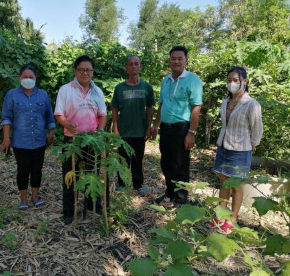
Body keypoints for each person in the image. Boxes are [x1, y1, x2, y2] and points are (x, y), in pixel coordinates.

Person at [208, 66, 263, 233]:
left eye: (235, 80)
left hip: (241, 148)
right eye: (229, 80)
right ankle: (220, 216)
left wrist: (253, 144)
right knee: (223, 181)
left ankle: (232, 219)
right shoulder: (226, 101)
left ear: (244, 82)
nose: (232, 83)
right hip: (224, 145)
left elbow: (257, 128)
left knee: (237, 186)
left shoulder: (251, 104)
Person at [54, 55, 107, 225]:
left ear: (93, 72)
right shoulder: (66, 90)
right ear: (75, 71)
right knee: (70, 177)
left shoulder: (97, 91)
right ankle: (70, 211)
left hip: (92, 141)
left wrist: (99, 132)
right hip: (73, 141)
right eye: (81, 69)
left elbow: (103, 115)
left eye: (88, 70)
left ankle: (94, 206)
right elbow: (59, 114)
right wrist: (68, 125)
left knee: (92, 175)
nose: (85, 73)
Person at [151, 46, 203, 205]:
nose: (176, 61)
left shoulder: (193, 80)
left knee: (180, 164)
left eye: (180, 58)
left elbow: (196, 107)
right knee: (166, 162)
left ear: (186, 60)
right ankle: (169, 193)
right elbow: (161, 104)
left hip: (182, 128)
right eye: (173, 58)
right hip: (166, 128)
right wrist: (155, 125)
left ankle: (181, 199)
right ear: (169, 60)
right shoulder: (166, 79)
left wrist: (191, 133)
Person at [1, 65, 55, 210]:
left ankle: (35, 197)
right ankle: (23, 199)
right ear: (20, 78)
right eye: (25, 76)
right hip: (20, 141)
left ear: (35, 78)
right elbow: (6, 117)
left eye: (31, 77)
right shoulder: (12, 95)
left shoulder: (43, 95)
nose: (28, 79)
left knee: (37, 169)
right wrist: (6, 138)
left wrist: (51, 134)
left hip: (39, 140)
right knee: (23, 170)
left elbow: (49, 115)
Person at [111, 55, 155, 195]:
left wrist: (149, 127)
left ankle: (138, 184)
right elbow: (115, 108)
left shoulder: (146, 87)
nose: (133, 66)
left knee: (138, 159)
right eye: (130, 64)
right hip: (124, 131)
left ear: (140, 67)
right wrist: (116, 128)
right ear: (126, 68)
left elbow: (149, 108)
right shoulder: (119, 88)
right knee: (123, 159)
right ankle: (122, 184)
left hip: (139, 130)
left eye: (136, 64)